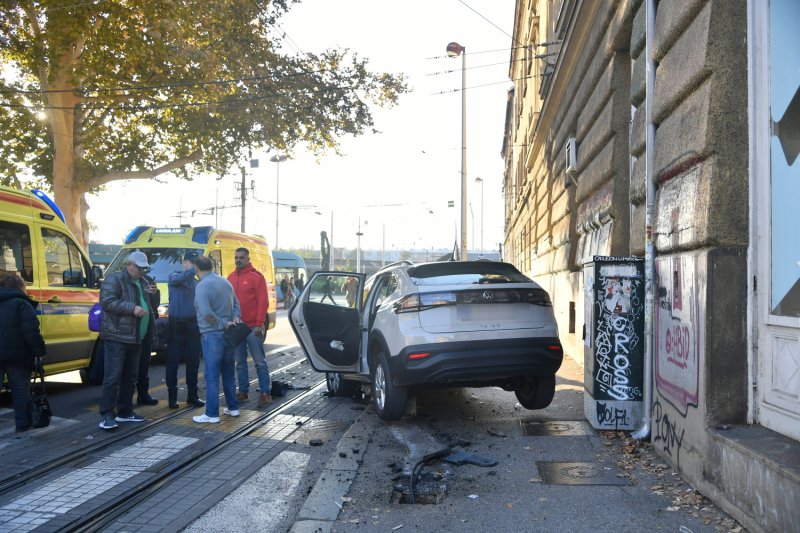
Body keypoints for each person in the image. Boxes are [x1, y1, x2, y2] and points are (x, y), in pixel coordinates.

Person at [98, 251, 154, 429]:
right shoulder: (115, 279)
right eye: (138, 268)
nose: (141, 272)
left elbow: (151, 305)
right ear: (128, 264)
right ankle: (107, 414)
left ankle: (125, 411)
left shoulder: (143, 281)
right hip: (117, 336)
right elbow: (107, 302)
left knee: (130, 377)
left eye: (143, 269)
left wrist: (155, 293)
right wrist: (132, 308)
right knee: (113, 376)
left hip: (137, 336)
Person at [193, 255, 241, 423]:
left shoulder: (202, 286)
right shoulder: (225, 282)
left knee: (212, 376)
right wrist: (233, 319)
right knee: (228, 373)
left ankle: (212, 414)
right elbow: (237, 305)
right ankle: (233, 408)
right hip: (229, 335)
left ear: (196, 269)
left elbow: (207, 314)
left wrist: (223, 323)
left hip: (212, 335)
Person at [0, 274, 46, 433]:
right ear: (20, 287)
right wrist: (40, 351)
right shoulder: (22, 304)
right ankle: (23, 424)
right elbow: (31, 332)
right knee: (20, 389)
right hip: (17, 355)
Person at [227, 247, 272, 406]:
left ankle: (265, 392)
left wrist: (260, 324)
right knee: (240, 362)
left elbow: (263, 302)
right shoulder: (230, 277)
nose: (238, 260)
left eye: (241, 257)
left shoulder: (256, 277)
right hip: (237, 327)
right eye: (236, 257)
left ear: (248, 258)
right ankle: (243, 392)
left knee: (259, 361)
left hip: (253, 327)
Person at [165, 252, 204, 409]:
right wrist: (194, 269)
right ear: (184, 263)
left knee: (193, 362)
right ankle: (172, 396)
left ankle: (192, 395)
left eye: (195, 263)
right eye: (190, 263)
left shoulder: (196, 283)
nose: (193, 266)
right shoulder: (175, 277)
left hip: (192, 326)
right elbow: (180, 278)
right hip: (176, 326)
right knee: (173, 362)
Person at [135, 269, 161, 406]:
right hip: (130, 332)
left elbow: (155, 305)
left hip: (146, 332)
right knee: (128, 368)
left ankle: (143, 394)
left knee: (144, 365)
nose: (142, 270)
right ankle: (123, 400)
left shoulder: (148, 280)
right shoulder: (123, 280)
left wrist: (155, 293)